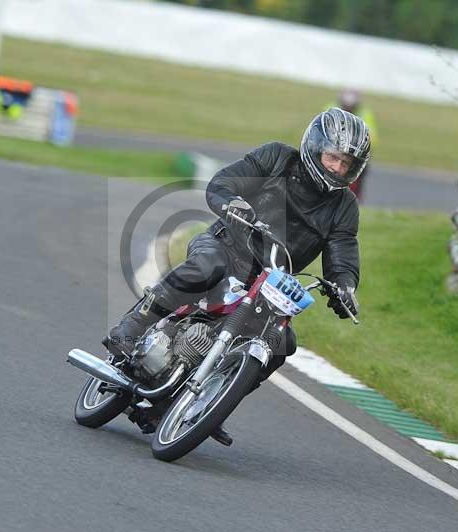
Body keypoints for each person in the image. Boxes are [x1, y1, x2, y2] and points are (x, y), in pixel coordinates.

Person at [104, 108, 371, 444]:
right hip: (227, 245)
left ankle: (210, 402)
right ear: (315, 147)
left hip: (270, 280)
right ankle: (132, 327)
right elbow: (225, 181)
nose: (337, 168)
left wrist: (345, 284)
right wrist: (232, 201)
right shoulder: (276, 158)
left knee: (282, 342)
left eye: (346, 164)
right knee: (206, 267)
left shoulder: (344, 206)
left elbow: (342, 249)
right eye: (333, 157)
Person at [329, 89, 378, 201]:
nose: (348, 108)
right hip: (332, 151)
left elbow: (371, 138)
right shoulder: (331, 109)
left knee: (354, 185)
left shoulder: (365, 114)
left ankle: (352, 202)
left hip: (355, 155)